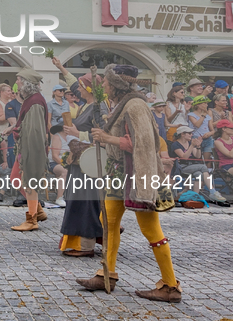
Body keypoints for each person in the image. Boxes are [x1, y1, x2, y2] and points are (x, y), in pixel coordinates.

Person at [78, 64, 182, 303]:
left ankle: (170, 286)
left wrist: (106, 138)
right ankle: (107, 273)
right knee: (108, 222)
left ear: (116, 84)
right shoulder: (125, 103)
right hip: (120, 174)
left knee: (151, 230)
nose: (103, 85)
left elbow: (143, 144)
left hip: (138, 176)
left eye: (105, 82)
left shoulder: (135, 105)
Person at [58, 72, 107, 256]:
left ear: (88, 88)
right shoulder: (88, 105)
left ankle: (86, 245)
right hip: (79, 160)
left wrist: (78, 134)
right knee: (77, 200)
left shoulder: (99, 107)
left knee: (85, 202)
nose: (77, 90)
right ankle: (82, 241)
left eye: (80, 86)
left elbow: (103, 134)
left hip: (89, 162)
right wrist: (61, 68)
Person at [10, 69, 48, 231]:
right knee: (15, 178)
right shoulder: (32, 100)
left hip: (30, 150)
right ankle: (37, 210)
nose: (17, 82)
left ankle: (32, 220)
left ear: (26, 83)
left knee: (29, 182)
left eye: (19, 79)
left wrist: (31, 156)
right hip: (26, 149)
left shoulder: (35, 102)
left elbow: (35, 131)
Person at [169, 125, 224, 201]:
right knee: (203, 167)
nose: (191, 135)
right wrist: (192, 146)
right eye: (189, 133)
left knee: (199, 174)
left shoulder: (190, 143)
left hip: (191, 166)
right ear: (182, 134)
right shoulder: (175, 145)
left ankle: (195, 196)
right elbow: (184, 157)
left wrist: (198, 146)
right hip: (181, 167)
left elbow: (197, 156)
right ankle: (213, 191)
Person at [187, 95, 215, 164]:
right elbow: (197, 124)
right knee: (198, 157)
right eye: (205, 103)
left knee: (206, 159)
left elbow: (212, 130)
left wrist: (209, 133)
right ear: (198, 105)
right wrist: (203, 115)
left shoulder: (207, 116)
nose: (207, 105)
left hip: (207, 139)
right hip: (196, 138)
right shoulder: (191, 115)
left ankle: (206, 169)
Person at [48, 125, 69, 208]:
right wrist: (66, 164)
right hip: (54, 163)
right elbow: (55, 157)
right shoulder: (57, 137)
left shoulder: (73, 136)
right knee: (65, 171)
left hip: (70, 163)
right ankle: (59, 198)